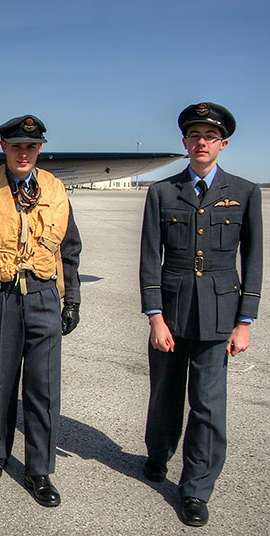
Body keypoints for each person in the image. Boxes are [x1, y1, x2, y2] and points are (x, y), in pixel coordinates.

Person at [139, 102, 261, 527]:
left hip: (217, 316)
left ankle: (195, 488)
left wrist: (244, 322)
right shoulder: (162, 192)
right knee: (165, 395)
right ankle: (158, 455)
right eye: (194, 136)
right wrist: (155, 317)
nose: (202, 142)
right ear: (185, 143)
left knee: (208, 406)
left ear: (222, 144)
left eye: (210, 137)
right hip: (171, 314)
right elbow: (150, 258)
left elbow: (254, 260)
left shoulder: (244, 192)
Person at [0, 115, 81, 507]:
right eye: (15, 146)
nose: (23, 153)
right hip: (1, 296)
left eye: (30, 146)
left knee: (43, 389)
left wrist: (72, 297)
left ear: (39, 149)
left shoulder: (56, 190)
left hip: (44, 296)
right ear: (4, 148)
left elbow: (70, 248)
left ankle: (39, 470)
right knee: (1, 381)